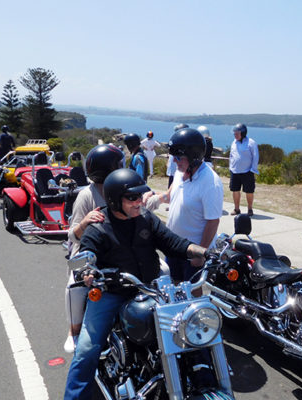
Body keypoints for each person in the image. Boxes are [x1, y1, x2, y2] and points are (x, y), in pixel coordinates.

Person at [63, 168, 207, 400]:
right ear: (114, 200)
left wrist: (204, 252)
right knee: (87, 349)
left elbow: (174, 243)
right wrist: (87, 271)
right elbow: (86, 252)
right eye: (132, 198)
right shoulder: (99, 225)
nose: (139, 202)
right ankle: (74, 396)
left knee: (193, 329)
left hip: (152, 289)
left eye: (141, 196)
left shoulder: (146, 219)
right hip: (113, 292)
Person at [64, 144, 124, 353]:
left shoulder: (122, 190)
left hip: (117, 249)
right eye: (118, 165)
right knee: (75, 287)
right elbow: (72, 235)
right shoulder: (86, 196)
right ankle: (74, 330)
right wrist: (85, 222)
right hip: (87, 251)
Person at [145, 128, 223, 285]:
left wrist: (200, 252)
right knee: (172, 287)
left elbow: (213, 221)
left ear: (194, 157)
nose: (174, 161)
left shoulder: (210, 182)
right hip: (174, 245)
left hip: (193, 249)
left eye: (179, 157)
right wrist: (154, 200)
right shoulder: (181, 173)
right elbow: (170, 195)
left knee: (192, 291)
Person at [229, 123, 259, 216]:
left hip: (247, 172)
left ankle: (250, 209)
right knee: (235, 190)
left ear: (243, 133)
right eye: (234, 133)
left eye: (237, 133)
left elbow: (255, 156)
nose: (235, 135)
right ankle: (236, 209)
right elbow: (231, 155)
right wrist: (230, 167)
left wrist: (253, 169)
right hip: (235, 171)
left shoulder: (251, 142)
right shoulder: (234, 142)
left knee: (249, 191)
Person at [166, 124, 188, 188]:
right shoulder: (176, 141)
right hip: (174, 167)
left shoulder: (180, 143)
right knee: (171, 183)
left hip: (177, 168)